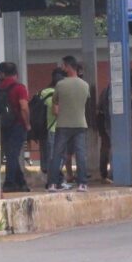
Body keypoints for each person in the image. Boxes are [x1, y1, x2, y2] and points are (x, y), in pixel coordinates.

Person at [47, 55, 90, 192]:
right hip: (80, 124)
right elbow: (86, 100)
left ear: (68, 66)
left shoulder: (60, 85)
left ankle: (53, 184)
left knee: (57, 154)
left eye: (63, 66)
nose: (62, 68)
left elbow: (55, 102)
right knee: (80, 154)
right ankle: (82, 183)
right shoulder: (85, 85)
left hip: (63, 124)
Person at [0, 61, 31, 192]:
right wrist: (27, 124)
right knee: (12, 154)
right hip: (17, 125)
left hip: (2, 125)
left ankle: (21, 182)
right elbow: (24, 107)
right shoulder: (19, 87)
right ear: (16, 74)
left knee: (11, 154)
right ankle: (9, 183)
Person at [40, 68, 68, 185]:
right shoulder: (56, 94)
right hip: (56, 128)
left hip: (45, 128)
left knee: (51, 156)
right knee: (58, 156)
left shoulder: (43, 92)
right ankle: (55, 181)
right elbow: (56, 112)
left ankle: (52, 181)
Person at [96, 83, 113, 183]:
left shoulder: (105, 90)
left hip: (103, 123)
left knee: (105, 148)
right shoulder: (111, 91)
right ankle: (108, 174)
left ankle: (104, 173)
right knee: (108, 148)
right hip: (108, 123)